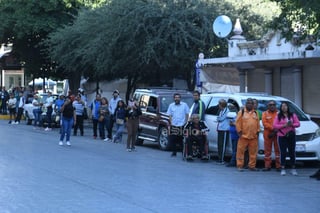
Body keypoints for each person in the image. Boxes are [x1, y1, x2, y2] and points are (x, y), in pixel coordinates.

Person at [273, 102, 300, 176]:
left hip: (291, 135)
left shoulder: (292, 115)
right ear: (281, 108)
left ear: (288, 107)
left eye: (285, 106)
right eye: (282, 106)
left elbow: (298, 124)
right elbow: (275, 125)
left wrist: (292, 124)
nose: (284, 107)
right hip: (282, 136)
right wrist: (284, 125)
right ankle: (283, 168)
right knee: (283, 152)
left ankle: (293, 169)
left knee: (292, 152)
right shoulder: (278, 116)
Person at [235, 98, 260, 171]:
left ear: (253, 105)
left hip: (253, 137)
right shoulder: (241, 112)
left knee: (253, 153)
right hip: (243, 136)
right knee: (240, 152)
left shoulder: (255, 112)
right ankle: (240, 166)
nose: (249, 104)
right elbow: (238, 123)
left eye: (251, 103)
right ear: (246, 104)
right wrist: (239, 132)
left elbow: (257, 123)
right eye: (248, 103)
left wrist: (257, 132)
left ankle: (252, 166)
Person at [262, 100, 281, 171]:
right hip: (268, 133)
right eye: (270, 105)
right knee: (267, 150)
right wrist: (273, 129)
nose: (272, 106)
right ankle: (267, 166)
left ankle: (278, 166)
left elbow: (281, 122)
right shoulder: (265, 113)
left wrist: (276, 130)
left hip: (278, 133)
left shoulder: (279, 113)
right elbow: (265, 123)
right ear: (268, 106)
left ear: (275, 105)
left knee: (278, 150)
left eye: (273, 104)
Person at [216, 99, 230, 164]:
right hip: (220, 129)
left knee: (223, 145)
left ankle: (221, 159)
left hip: (224, 129)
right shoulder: (221, 111)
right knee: (219, 144)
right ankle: (219, 158)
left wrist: (218, 118)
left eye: (219, 104)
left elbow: (220, 119)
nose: (218, 106)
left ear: (222, 105)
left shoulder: (227, 111)